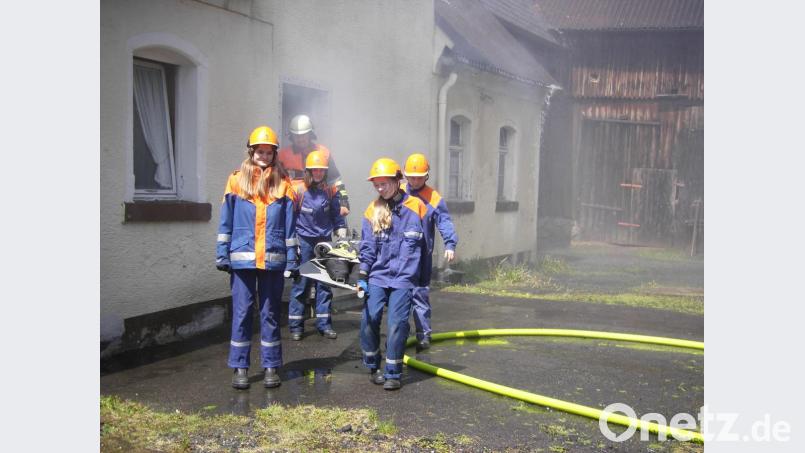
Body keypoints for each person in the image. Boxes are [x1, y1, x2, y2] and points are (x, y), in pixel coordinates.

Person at [215, 125, 299, 390]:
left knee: (270, 314)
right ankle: (240, 368)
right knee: (241, 314)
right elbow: (225, 221)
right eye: (259, 151)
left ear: (274, 154)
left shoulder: (284, 184)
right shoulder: (236, 180)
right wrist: (222, 253)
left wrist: (293, 260)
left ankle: (271, 366)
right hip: (242, 261)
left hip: (273, 261)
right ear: (251, 152)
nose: (264, 156)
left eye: (268, 152)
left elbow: (290, 228)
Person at [357, 158, 428, 391]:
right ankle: (372, 365)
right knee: (370, 318)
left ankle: (393, 372)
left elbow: (425, 245)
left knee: (397, 324)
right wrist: (362, 276)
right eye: (376, 185)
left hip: (403, 278)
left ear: (398, 181)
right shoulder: (372, 210)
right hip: (378, 275)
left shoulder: (416, 207)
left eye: (384, 184)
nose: (380, 189)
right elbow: (367, 247)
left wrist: (422, 279)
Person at [287, 150, 347, 341]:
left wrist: (341, 229)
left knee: (325, 284)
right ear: (308, 171)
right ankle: (296, 326)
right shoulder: (298, 190)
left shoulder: (330, 191)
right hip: (305, 241)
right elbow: (290, 217)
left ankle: (324, 324)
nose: (319, 173)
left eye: (322, 170)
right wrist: (293, 243)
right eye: (315, 170)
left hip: (324, 241)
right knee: (301, 284)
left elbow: (337, 214)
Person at [401, 153, 458, 351]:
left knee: (420, 294)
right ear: (405, 176)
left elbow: (444, 221)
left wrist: (450, 244)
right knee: (399, 295)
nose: (415, 181)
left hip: (422, 255)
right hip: (399, 255)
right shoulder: (398, 192)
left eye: (419, 177)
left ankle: (423, 335)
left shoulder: (433, 197)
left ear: (426, 176)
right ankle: (399, 334)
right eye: (411, 177)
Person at [278, 114, 351, 218]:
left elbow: (335, 180)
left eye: (304, 135)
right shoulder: (282, 156)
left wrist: (343, 201)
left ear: (310, 134)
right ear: (291, 136)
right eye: (296, 136)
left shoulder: (323, 152)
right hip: (292, 208)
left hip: (320, 207)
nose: (300, 139)